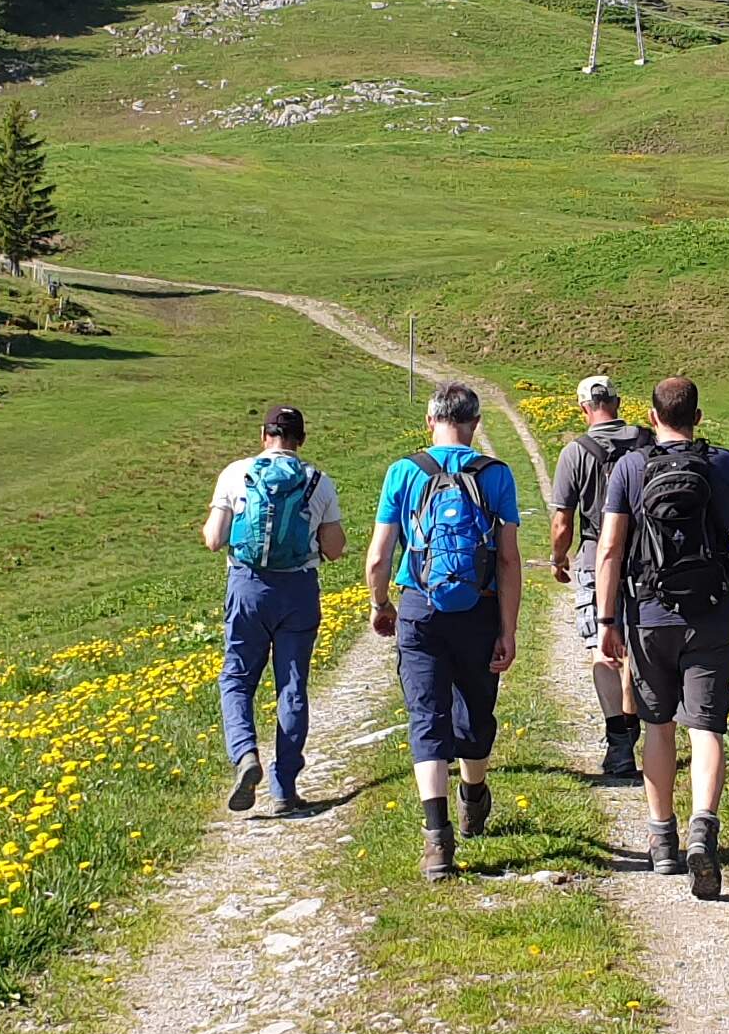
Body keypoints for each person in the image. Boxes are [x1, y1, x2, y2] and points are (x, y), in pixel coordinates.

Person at [596, 375, 729, 900]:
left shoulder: (630, 467)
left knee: (657, 727)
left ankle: (663, 843)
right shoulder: (723, 464)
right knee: (706, 728)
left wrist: (607, 622)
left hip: (650, 615)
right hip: (714, 612)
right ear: (699, 416)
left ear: (651, 418)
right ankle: (704, 829)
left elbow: (608, 550)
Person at [370, 382, 524, 880]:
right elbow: (507, 558)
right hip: (479, 609)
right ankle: (473, 796)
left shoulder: (403, 472)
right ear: (475, 424)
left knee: (426, 715)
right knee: (475, 712)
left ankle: (437, 841)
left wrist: (381, 604)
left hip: (420, 608)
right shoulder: (495, 474)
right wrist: (508, 628)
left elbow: (378, 556)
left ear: (429, 421)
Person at [202, 404, 346, 817]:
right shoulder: (318, 482)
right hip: (299, 590)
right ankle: (284, 788)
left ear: (263, 434)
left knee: (237, 678)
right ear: (301, 439)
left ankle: (245, 754)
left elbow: (214, 539)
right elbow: (335, 550)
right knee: (292, 685)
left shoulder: (236, 473)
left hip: (248, 587)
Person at [546, 373, 651, 781]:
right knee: (634, 645)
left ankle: (619, 742)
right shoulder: (646, 441)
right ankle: (634, 719)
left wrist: (558, 559)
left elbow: (561, 521)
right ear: (619, 402)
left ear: (583, 409)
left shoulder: (576, 452)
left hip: (594, 556)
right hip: (644, 555)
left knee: (603, 646)